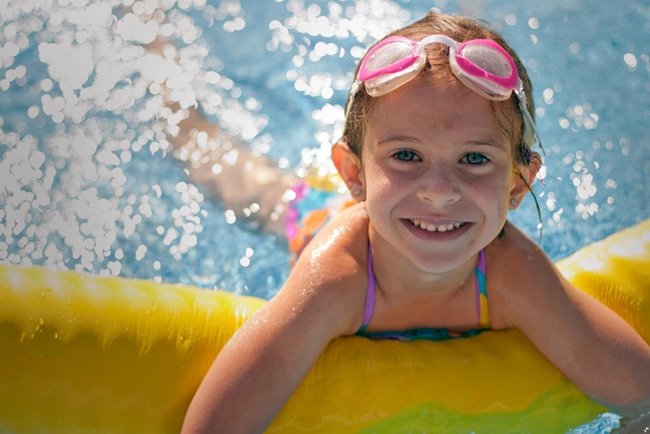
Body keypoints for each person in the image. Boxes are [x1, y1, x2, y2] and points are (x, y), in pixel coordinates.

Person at [179, 12, 650, 433]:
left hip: (390, 204)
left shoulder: (512, 272)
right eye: (407, 155)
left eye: (474, 158)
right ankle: (173, 102)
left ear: (518, 183)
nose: (439, 190)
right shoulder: (337, 277)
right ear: (352, 173)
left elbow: (640, 394)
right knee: (239, 183)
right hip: (319, 217)